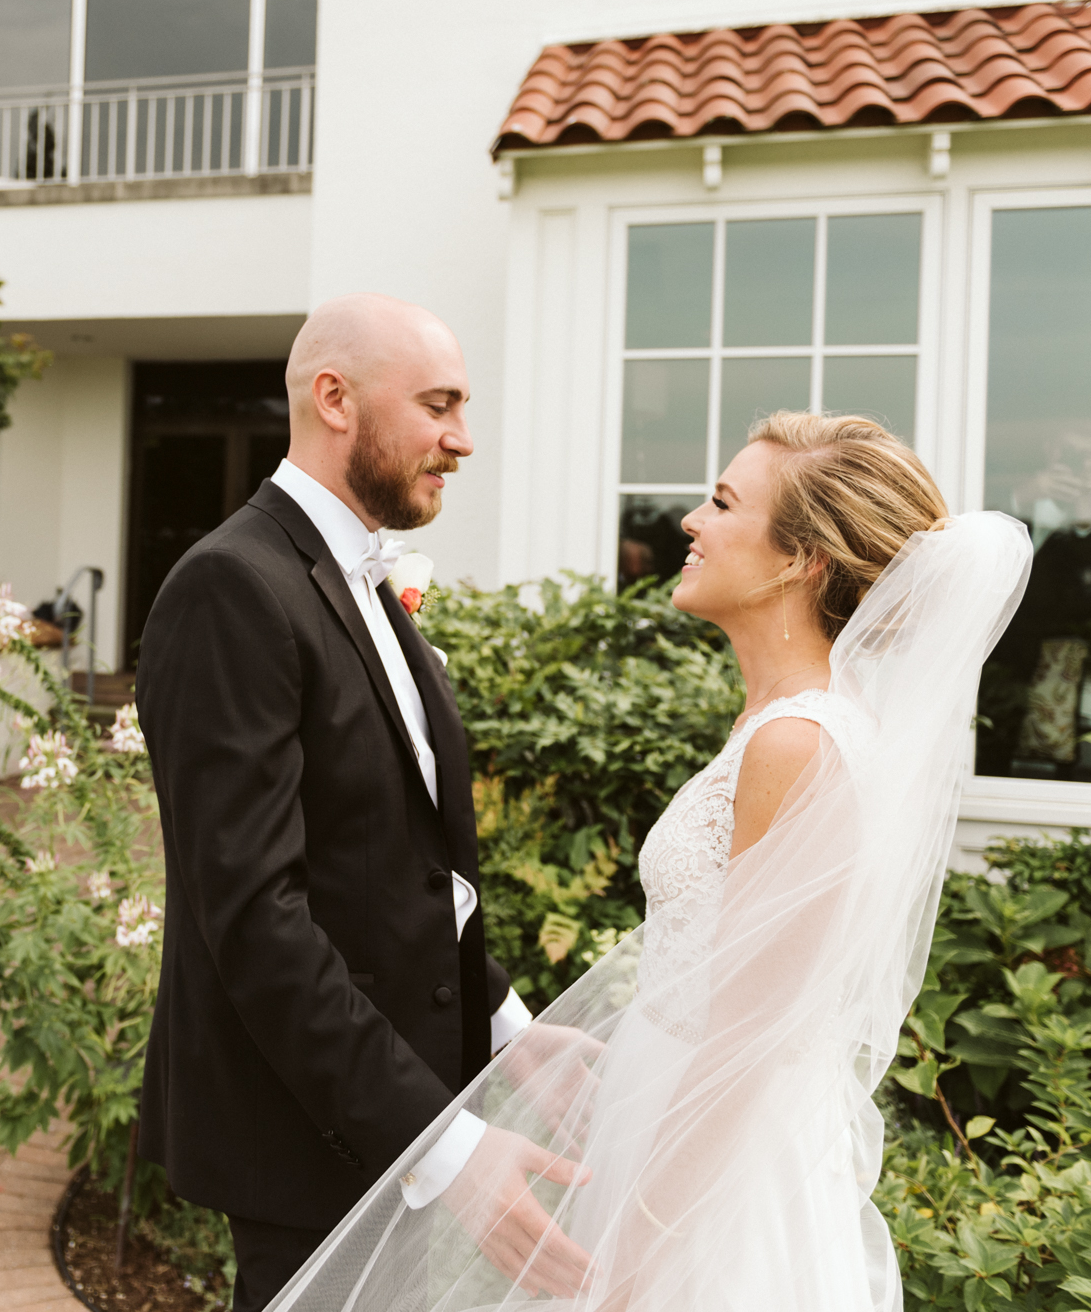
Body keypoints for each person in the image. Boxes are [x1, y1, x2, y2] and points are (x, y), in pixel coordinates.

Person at [265, 413, 1033, 1312]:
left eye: (721, 502)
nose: (689, 523)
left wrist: (639, 1256)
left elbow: (744, 1053)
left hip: (721, 1193)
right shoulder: (784, 723)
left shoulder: (798, 742)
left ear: (800, 561)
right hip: (676, 1136)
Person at [135, 294, 592, 1312]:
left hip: (389, 1113)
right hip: (308, 1136)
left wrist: (509, 1031)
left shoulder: (361, 580)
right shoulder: (231, 587)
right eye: (438, 405)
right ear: (333, 398)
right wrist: (445, 1147)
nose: (461, 439)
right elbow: (255, 919)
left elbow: (393, 866)